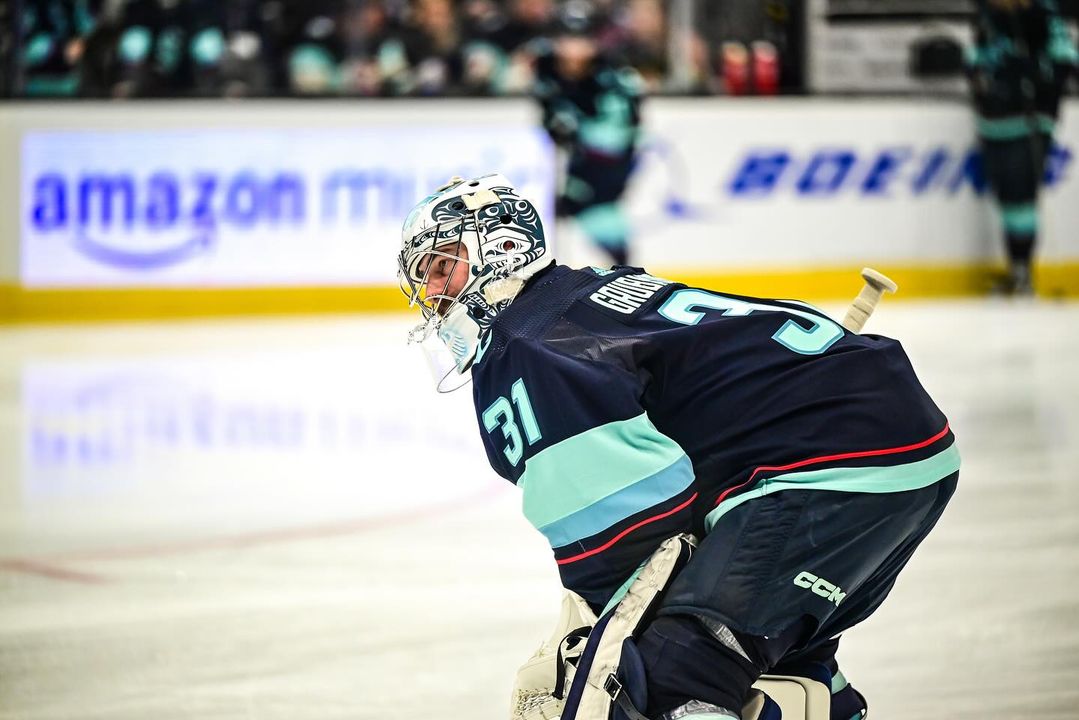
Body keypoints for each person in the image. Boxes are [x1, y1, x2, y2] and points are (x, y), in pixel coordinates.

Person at [398, 174, 960, 720]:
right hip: (897, 446)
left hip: (825, 470)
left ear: (502, 247)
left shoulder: (527, 349)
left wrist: (612, 648)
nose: (434, 293)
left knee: (668, 676)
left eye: (443, 266)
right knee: (778, 657)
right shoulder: (587, 290)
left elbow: (629, 544)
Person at [966, 0, 1078, 295]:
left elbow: (1067, 59)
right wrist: (979, 78)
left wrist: (1040, 79)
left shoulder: (1043, 14)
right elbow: (975, 59)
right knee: (1008, 199)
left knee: (1021, 195)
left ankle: (1022, 271)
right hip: (994, 122)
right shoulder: (987, 16)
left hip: (1030, 121)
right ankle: (1018, 270)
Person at [531, 1, 643, 266]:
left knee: (594, 213)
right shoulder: (545, 67)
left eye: (581, 38)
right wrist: (554, 124)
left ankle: (626, 275)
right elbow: (545, 107)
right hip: (574, 158)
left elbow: (621, 133)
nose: (573, 47)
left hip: (607, 162)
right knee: (559, 211)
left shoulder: (613, 76)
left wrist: (578, 129)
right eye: (565, 37)